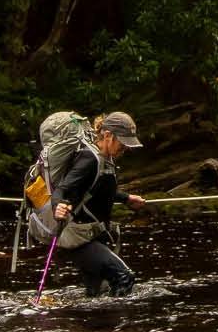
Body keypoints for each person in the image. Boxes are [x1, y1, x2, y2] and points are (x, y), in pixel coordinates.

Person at [25, 110, 146, 296]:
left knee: (97, 293)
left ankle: (96, 323)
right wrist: (58, 206)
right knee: (124, 277)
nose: (126, 148)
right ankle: (121, 322)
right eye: (123, 143)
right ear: (107, 136)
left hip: (92, 235)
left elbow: (95, 189)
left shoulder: (106, 159)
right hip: (78, 238)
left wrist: (126, 199)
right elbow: (62, 190)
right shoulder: (89, 159)